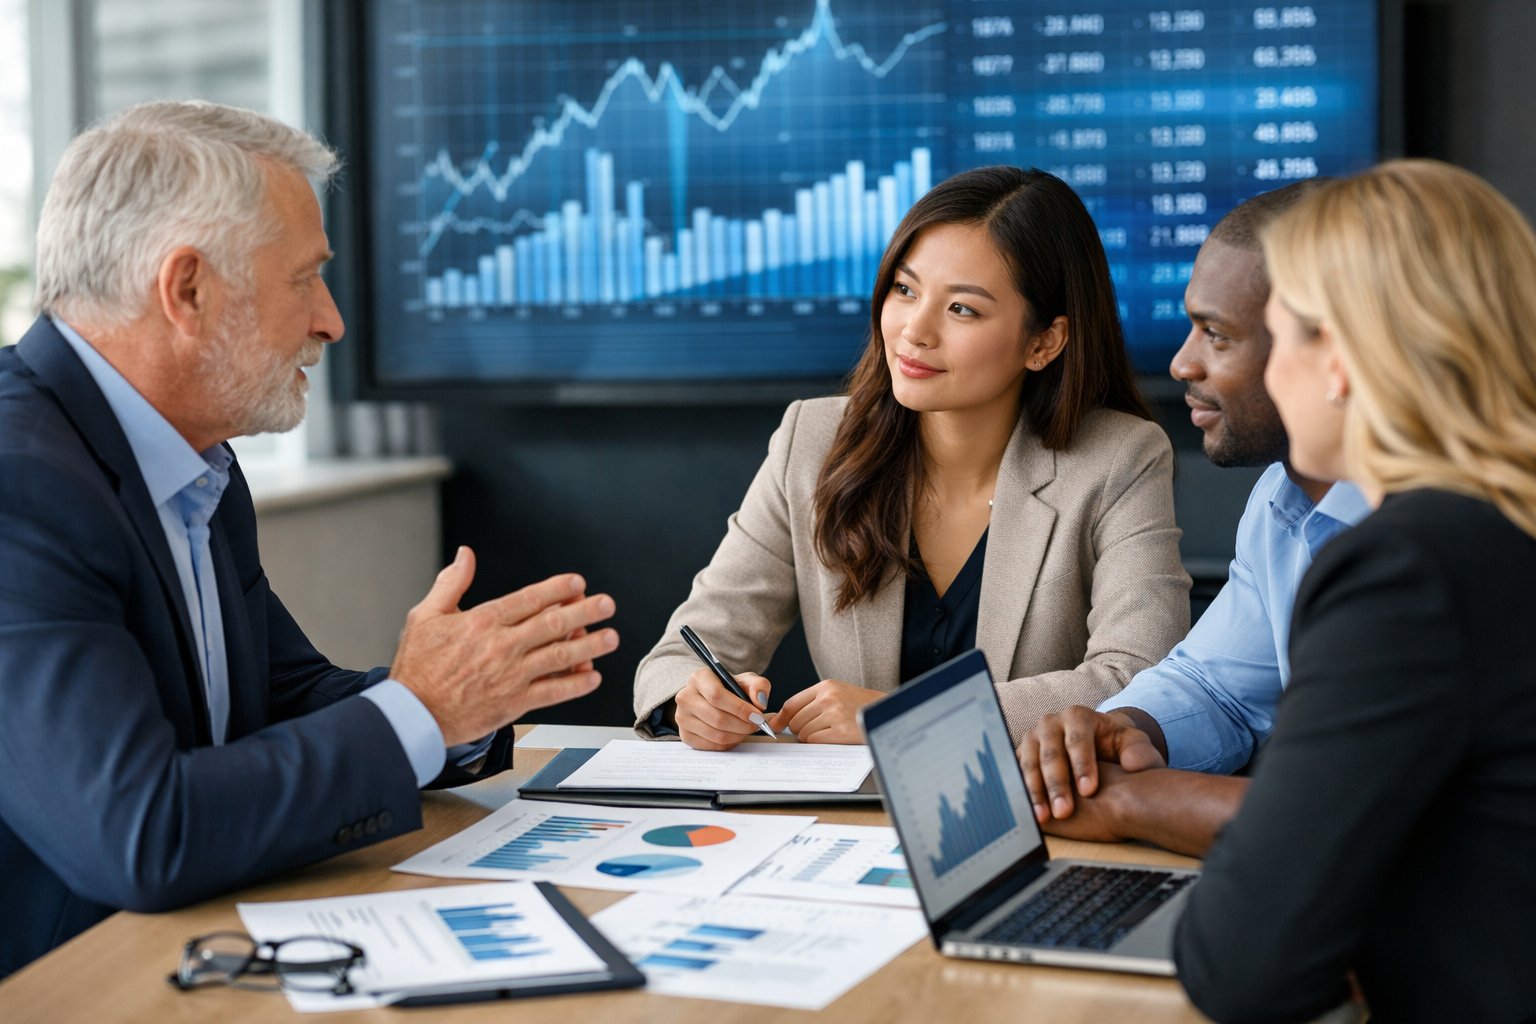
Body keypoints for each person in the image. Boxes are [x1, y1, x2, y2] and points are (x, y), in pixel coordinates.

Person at [0, 100, 619, 977]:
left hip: (193, 944)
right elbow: (139, 832)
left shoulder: (194, 456)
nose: (330, 320)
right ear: (187, 290)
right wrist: (420, 709)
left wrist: (460, 707)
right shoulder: (18, 484)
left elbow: (286, 699)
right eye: (306, 278)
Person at [633, 166, 1190, 749]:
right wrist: (691, 703)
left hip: (1030, 817)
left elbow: (1137, 681)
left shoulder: (1119, 459)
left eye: (962, 310)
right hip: (848, 822)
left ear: (1043, 342)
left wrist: (905, 715)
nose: (914, 331)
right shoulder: (813, 439)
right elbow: (681, 654)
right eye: (905, 290)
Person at [1174, 160, 1536, 1022]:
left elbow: (1240, 965)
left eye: (1282, 334)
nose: (1191, 362)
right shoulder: (1499, 524)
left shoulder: (1408, 568)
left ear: (1335, 358)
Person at [1014, 180, 1371, 856]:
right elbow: (1222, 689)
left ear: (1336, 355)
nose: (1182, 362)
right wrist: (1118, 729)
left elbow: (1348, 817)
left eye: (1217, 334)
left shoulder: (1441, 542)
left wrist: (1128, 800)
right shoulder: (1282, 500)